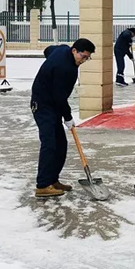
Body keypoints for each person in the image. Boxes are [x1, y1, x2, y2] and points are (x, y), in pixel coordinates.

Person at [30, 38, 96, 198]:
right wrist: (67, 117)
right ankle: (43, 185)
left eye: (87, 58)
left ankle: (53, 180)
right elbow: (60, 97)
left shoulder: (62, 50)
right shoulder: (64, 68)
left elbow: (48, 50)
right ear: (74, 51)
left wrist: (49, 67)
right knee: (50, 143)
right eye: (83, 56)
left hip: (52, 104)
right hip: (43, 104)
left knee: (61, 144)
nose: (84, 60)